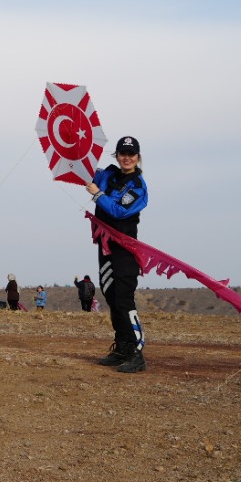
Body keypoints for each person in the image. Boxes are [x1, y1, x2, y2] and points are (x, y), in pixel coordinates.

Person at [88, 135, 150, 373]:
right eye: (122, 153)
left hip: (125, 249)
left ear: (137, 157)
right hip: (105, 246)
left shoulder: (138, 186)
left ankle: (136, 352)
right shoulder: (108, 175)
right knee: (111, 294)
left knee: (124, 298)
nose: (126, 158)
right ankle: (122, 348)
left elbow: (119, 211)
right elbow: (86, 173)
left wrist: (97, 195)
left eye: (131, 154)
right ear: (117, 155)